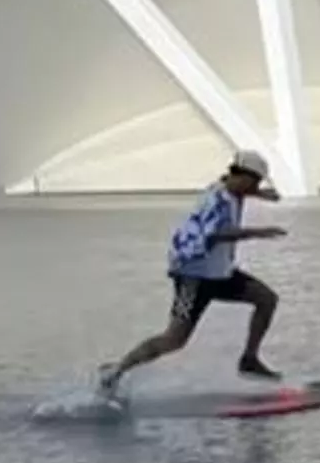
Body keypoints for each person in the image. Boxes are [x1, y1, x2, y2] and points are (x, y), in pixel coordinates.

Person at [98, 149, 289, 395]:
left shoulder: (232, 187)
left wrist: (260, 194)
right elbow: (217, 233)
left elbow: (240, 189)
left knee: (266, 298)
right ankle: (116, 371)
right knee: (174, 339)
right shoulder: (216, 200)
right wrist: (259, 232)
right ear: (242, 177)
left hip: (221, 273)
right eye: (254, 183)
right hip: (194, 275)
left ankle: (249, 360)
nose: (255, 187)